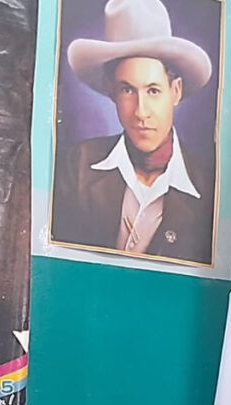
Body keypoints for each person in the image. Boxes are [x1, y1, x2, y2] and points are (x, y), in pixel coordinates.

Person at [51, 0, 216, 266]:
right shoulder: (77, 166)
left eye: (153, 91)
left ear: (175, 91)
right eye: (127, 90)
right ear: (112, 92)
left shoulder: (208, 186)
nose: (141, 112)